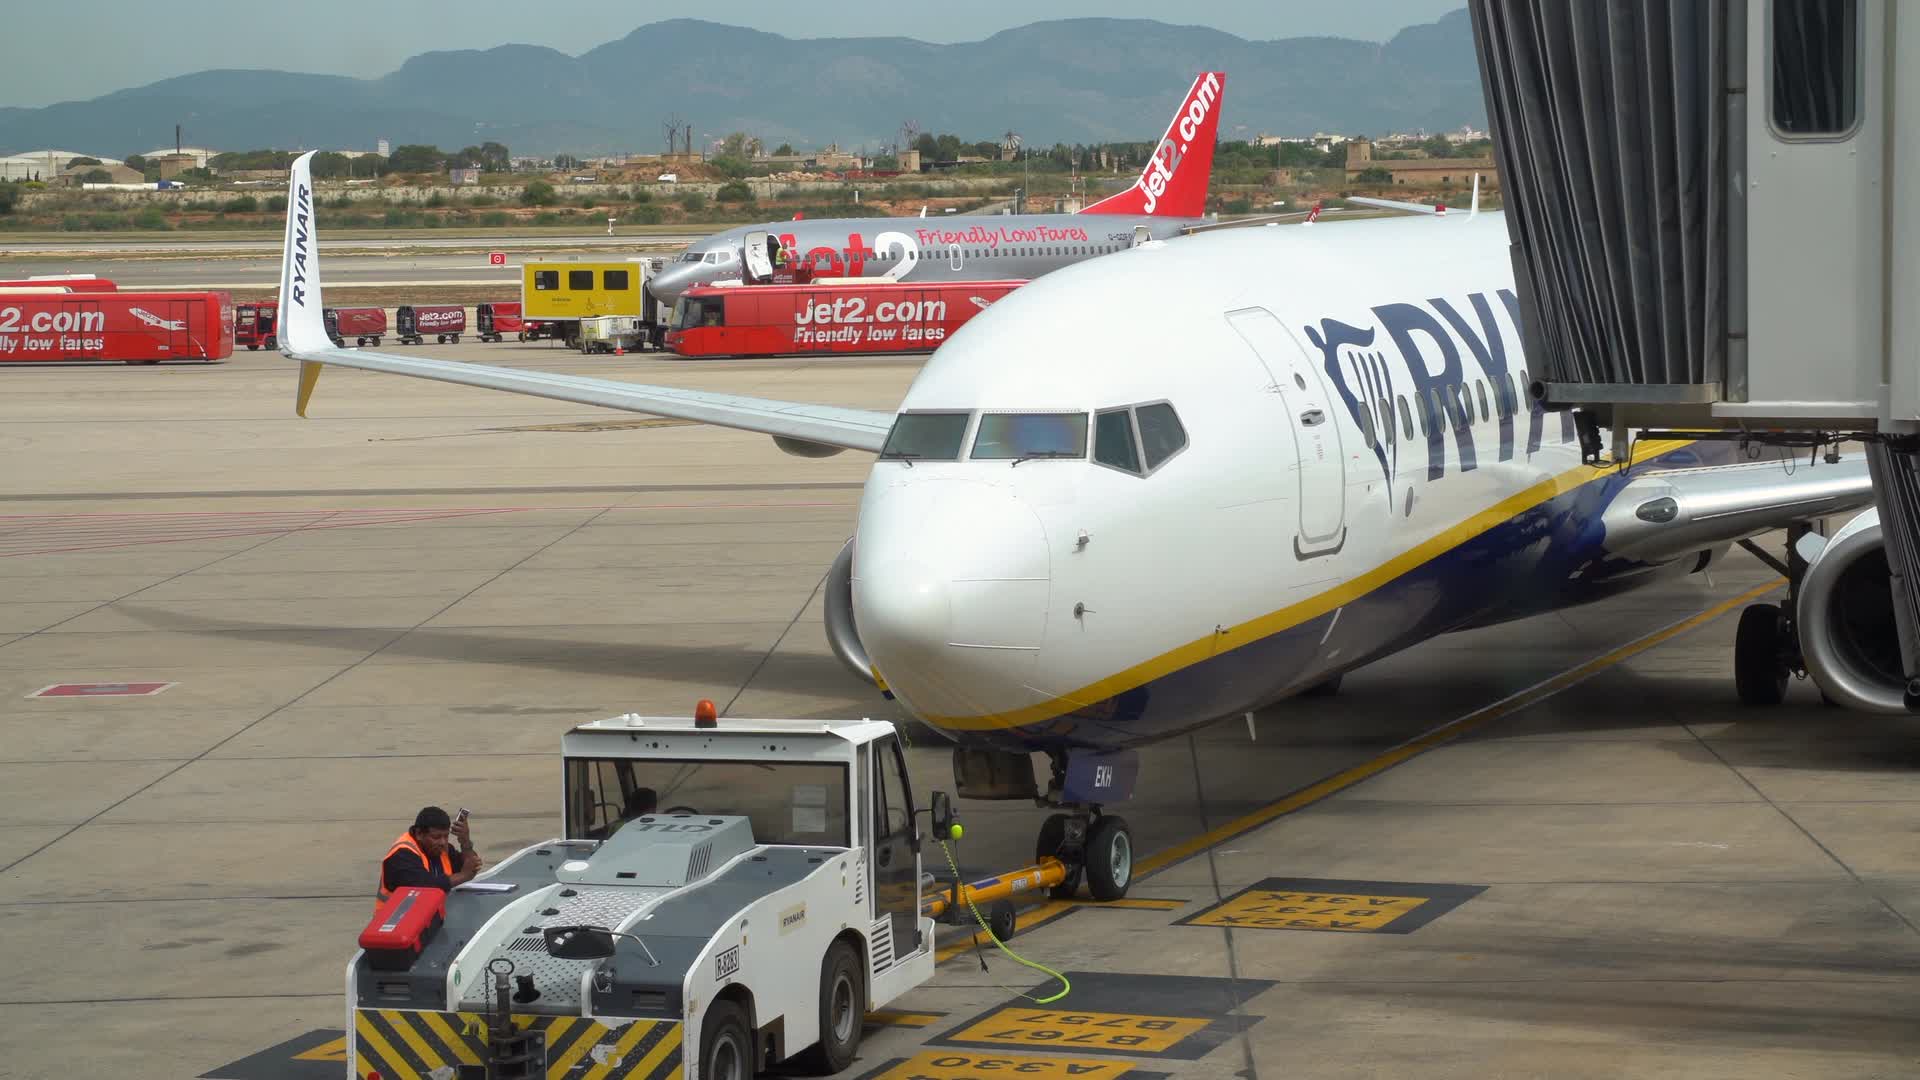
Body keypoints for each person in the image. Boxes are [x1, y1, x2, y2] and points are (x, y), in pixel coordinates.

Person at [377, 806, 482, 904]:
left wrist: (465, 842)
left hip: (431, 914)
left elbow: (469, 867)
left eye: (446, 836)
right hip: (399, 917)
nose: (443, 842)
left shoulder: (440, 848)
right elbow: (425, 887)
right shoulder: (401, 855)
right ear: (419, 834)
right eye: (436, 837)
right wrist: (463, 875)